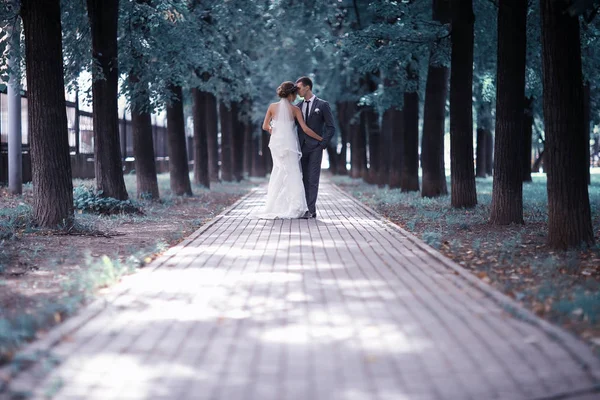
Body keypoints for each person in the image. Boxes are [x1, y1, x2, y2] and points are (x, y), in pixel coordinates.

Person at [255, 81, 323, 219]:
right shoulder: (295, 110)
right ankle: (295, 206)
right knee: (293, 173)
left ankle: (273, 206)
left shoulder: (272, 107)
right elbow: (304, 129)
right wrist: (320, 138)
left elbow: (264, 126)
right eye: (295, 94)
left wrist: (274, 130)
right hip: (290, 145)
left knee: (278, 171)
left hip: (277, 144)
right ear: (291, 94)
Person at [295, 76, 335, 219]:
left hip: (315, 148)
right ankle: (306, 207)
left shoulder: (323, 105)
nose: (297, 90)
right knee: (302, 179)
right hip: (300, 148)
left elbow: (331, 128)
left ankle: (310, 210)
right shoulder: (297, 107)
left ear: (307, 87)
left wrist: (322, 144)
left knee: (312, 179)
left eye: (299, 87)